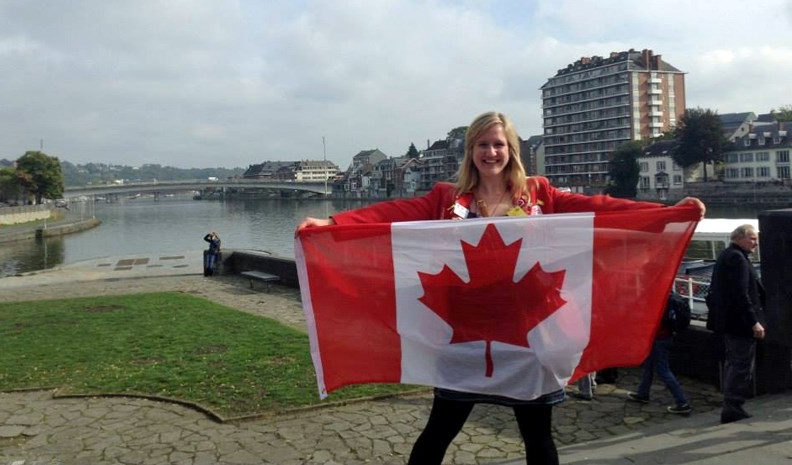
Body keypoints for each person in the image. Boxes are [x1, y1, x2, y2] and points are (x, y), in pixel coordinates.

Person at [295, 111, 705, 465]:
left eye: (498, 144)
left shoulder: (540, 195)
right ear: (470, 151)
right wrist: (333, 225)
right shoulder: (446, 199)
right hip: (463, 338)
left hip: (528, 339)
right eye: (482, 145)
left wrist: (666, 213)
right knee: (439, 431)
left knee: (537, 436)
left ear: (511, 150)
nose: (491, 153)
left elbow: (598, 208)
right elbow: (391, 215)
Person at [706, 224, 764, 424]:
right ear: (739, 238)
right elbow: (741, 294)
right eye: (752, 238)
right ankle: (733, 406)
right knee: (741, 364)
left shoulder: (728, 255)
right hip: (739, 324)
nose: (755, 242)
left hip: (730, 322)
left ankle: (732, 405)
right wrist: (754, 322)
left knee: (735, 362)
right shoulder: (737, 259)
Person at [626, 292, 691, 414]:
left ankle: (682, 402)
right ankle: (642, 393)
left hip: (658, 337)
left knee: (662, 369)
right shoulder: (669, 296)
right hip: (664, 337)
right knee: (649, 365)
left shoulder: (658, 297)